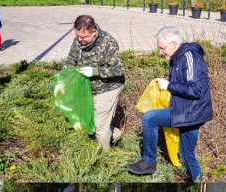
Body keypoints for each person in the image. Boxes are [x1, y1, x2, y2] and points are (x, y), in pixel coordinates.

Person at [127, 25, 212, 181]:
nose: (160, 52)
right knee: (187, 154)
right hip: (188, 110)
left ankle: (148, 162)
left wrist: (169, 86)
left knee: (149, 118)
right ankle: (198, 181)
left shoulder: (189, 57)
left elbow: (196, 89)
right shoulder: (177, 58)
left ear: (174, 44)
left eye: (162, 48)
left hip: (191, 112)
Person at [63, 15, 125, 148]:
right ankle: (116, 134)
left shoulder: (108, 43)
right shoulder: (78, 41)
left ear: (94, 31)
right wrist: (64, 80)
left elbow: (119, 70)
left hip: (109, 87)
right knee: (89, 118)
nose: (80, 40)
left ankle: (105, 159)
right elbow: (70, 62)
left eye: (84, 37)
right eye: (78, 36)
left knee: (99, 127)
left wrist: (95, 71)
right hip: (88, 87)